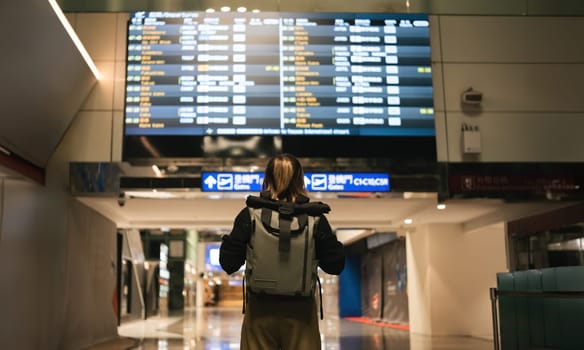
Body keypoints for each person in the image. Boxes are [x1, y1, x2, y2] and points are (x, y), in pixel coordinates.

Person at [220, 154, 345, 350]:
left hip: (260, 311)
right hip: (301, 313)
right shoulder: (315, 218)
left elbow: (228, 263)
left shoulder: (250, 215)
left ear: (267, 179)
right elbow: (335, 265)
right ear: (300, 180)